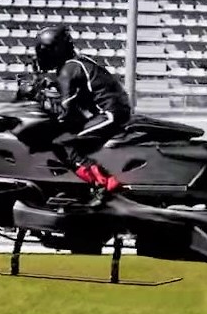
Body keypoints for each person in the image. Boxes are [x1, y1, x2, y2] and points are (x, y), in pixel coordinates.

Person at [32, 25, 132, 203]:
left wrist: (40, 99)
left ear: (54, 50)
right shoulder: (76, 63)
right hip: (112, 111)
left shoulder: (68, 70)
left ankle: (105, 187)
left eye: (43, 50)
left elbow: (65, 113)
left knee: (64, 143)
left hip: (109, 114)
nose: (41, 56)